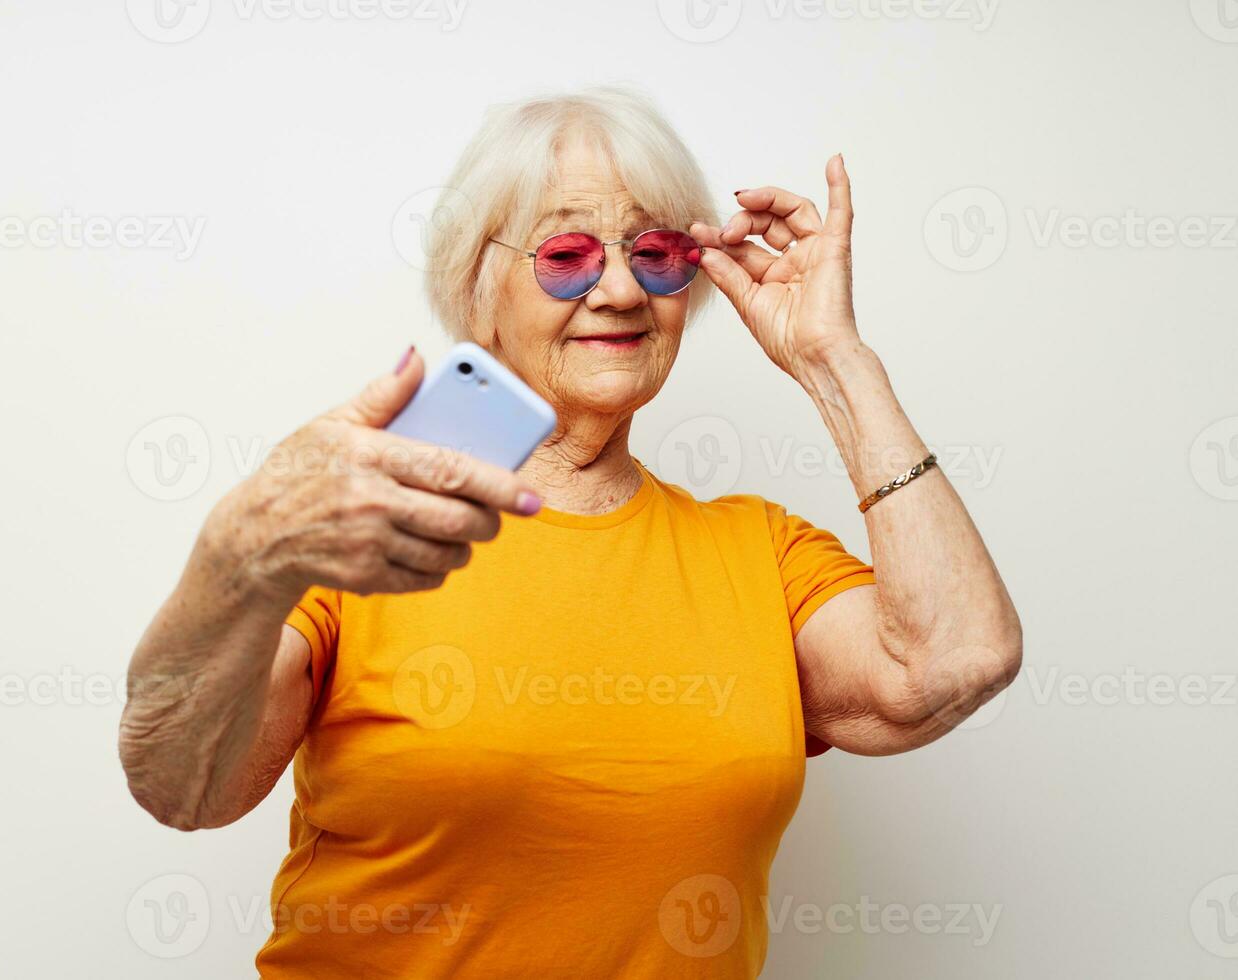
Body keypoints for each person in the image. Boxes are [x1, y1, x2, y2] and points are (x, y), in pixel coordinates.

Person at [118, 85, 1022, 978]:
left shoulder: (761, 553)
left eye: (659, 253)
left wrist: (836, 363)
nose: (623, 289)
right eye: (567, 255)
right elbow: (184, 786)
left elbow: (953, 664)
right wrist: (239, 555)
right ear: (480, 287)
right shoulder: (363, 531)